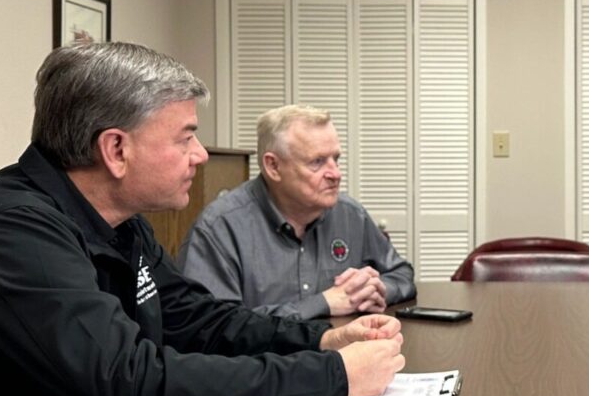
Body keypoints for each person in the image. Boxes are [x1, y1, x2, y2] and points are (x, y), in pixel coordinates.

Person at [0, 43, 405, 396]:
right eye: (186, 137)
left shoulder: (119, 224)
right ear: (116, 150)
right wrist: (332, 376)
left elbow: (197, 321)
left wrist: (320, 339)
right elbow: (128, 382)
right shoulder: (14, 232)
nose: (199, 156)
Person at [178, 105, 415, 322]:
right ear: (273, 166)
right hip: (262, 364)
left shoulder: (350, 215)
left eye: (336, 159)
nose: (335, 174)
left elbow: (401, 274)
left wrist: (377, 288)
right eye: (317, 162)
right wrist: (322, 304)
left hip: (343, 358)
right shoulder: (219, 228)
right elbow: (212, 326)